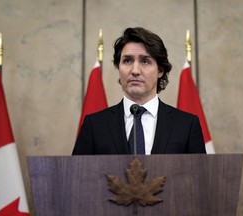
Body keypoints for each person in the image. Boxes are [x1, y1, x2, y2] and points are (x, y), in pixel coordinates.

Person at [72, 27, 206, 155]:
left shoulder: (187, 125)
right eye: (127, 61)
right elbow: (77, 175)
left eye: (145, 61)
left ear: (160, 70)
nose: (135, 71)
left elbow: (200, 176)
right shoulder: (94, 125)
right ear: (119, 68)